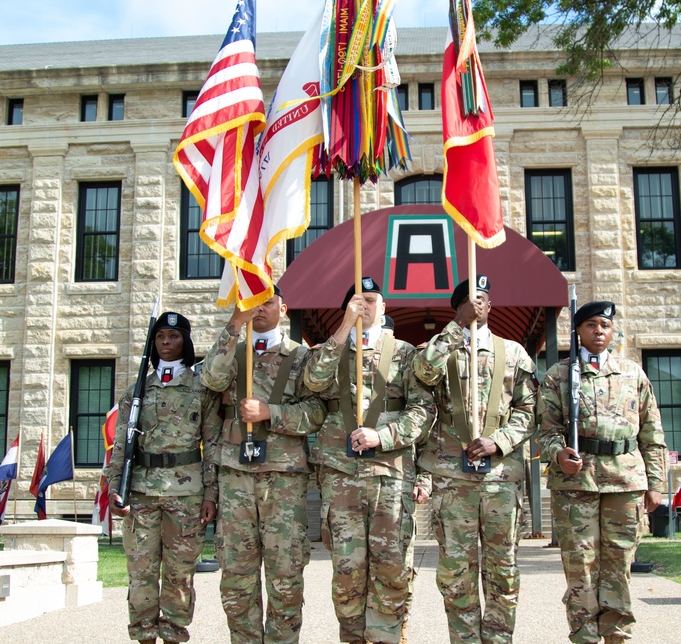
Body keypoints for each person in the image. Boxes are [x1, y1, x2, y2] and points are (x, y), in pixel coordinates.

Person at [303, 277, 435, 644]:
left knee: (392, 566)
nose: (365, 306)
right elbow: (313, 382)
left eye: (372, 299)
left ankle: (388, 639)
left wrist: (385, 436)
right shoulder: (331, 351)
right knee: (347, 570)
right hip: (341, 475)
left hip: (390, 474)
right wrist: (344, 326)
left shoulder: (407, 354)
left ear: (385, 306)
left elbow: (423, 411)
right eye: (357, 301)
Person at [412, 275, 537, 644]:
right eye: (469, 300)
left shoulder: (513, 353)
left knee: (503, 572)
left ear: (492, 306)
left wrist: (500, 441)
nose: (477, 304)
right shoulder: (438, 348)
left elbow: (529, 411)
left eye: (482, 298)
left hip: (500, 479)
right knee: (456, 574)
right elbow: (423, 372)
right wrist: (456, 327)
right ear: (458, 307)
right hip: (452, 480)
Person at [199, 286, 326, 644]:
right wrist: (233, 326)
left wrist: (273, 412)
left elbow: (317, 413)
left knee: (285, 576)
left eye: (267, 302)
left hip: (282, 480)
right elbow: (210, 379)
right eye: (253, 302)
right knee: (237, 578)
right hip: (235, 477)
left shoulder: (301, 357)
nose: (260, 309)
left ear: (283, 309)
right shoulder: (232, 353)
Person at [537, 301, 667, 644]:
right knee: (581, 568)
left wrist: (656, 484)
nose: (599, 331)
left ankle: (617, 636)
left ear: (613, 331)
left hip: (625, 481)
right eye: (591, 325)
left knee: (618, 566)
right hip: (576, 484)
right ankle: (584, 637)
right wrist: (558, 453)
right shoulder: (559, 375)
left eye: (605, 326)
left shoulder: (632, 373)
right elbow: (546, 429)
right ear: (578, 331)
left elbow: (652, 434)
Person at [106, 311, 221, 644]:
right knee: (140, 572)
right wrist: (116, 489)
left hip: (186, 493)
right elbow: (121, 445)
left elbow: (211, 443)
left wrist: (211, 494)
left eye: (173, 336)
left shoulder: (201, 388)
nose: (166, 343)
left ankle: (172, 635)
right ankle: (143, 636)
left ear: (185, 341)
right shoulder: (138, 389)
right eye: (160, 337)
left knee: (179, 574)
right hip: (141, 491)